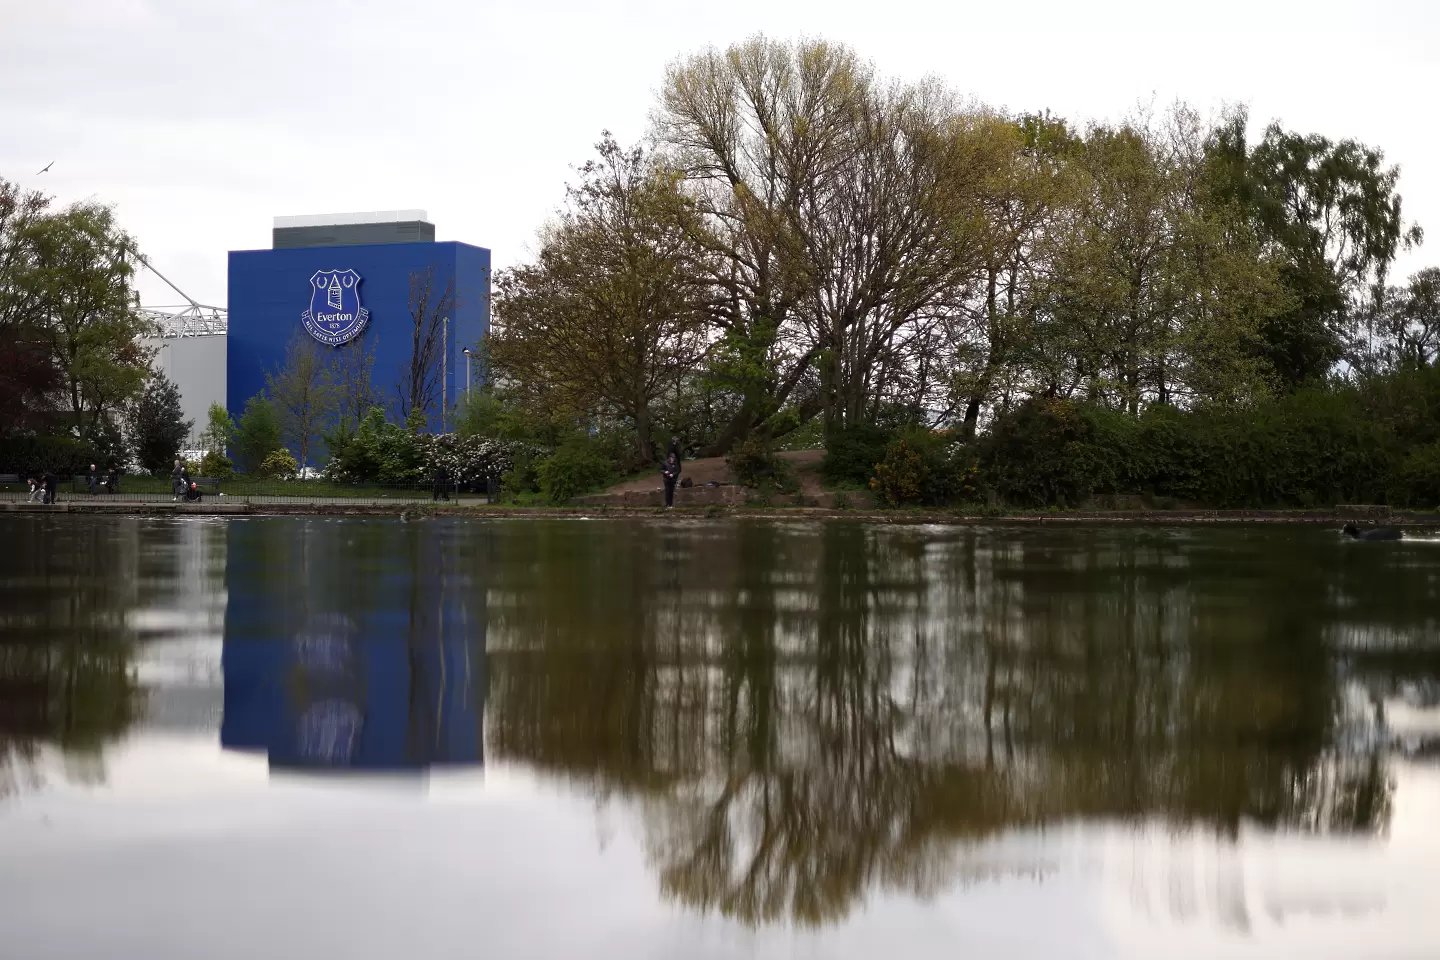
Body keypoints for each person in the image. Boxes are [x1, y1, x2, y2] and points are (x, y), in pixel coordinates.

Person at [661, 441, 681, 509]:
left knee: (671, 491)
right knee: (667, 491)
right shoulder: (665, 463)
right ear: (669, 457)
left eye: (674, 458)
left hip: (672, 479)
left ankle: (671, 504)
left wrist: (673, 474)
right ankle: (667, 505)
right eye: (672, 458)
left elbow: (677, 471)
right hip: (666, 479)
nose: (673, 459)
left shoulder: (675, 464)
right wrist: (665, 472)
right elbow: (661, 469)